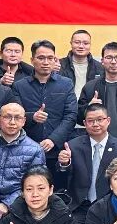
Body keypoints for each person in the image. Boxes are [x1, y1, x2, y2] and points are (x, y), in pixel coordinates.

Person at [56, 103, 117, 224]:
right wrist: (64, 163)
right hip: (80, 206)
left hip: (110, 207)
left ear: (108, 120)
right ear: (84, 123)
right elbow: (62, 180)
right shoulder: (72, 146)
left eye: (100, 119)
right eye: (90, 121)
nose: (95, 124)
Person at [10, 40, 77, 172]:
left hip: (57, 150)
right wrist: (32, 117)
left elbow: (71, 115)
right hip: (26, 149)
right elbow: (15, 115)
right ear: (32, 60)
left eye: (50, 58)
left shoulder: (66, 84)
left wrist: (53, 139)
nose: (46, 62)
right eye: (41, 58)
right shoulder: (19, 86)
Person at [57, 29, 103, 101]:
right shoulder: (59, 65)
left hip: (90, 105)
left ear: (90, 45)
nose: (81, 46)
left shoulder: (99, 67)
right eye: (77, 42)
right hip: (65, 105)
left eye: (86, 43)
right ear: (71, 43)